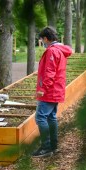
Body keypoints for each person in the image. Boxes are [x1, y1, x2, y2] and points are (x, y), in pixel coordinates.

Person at [32, 26, 72, 157]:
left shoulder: (52, 51)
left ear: (45, 38)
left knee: (40, 117)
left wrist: (42, 89)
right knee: (50, 117)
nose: (42, 42)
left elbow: (50, 73)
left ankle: (46, 147)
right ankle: (53, 146)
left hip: (50, 91)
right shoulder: (60, 50)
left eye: (42, 40)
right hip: (56, 89)